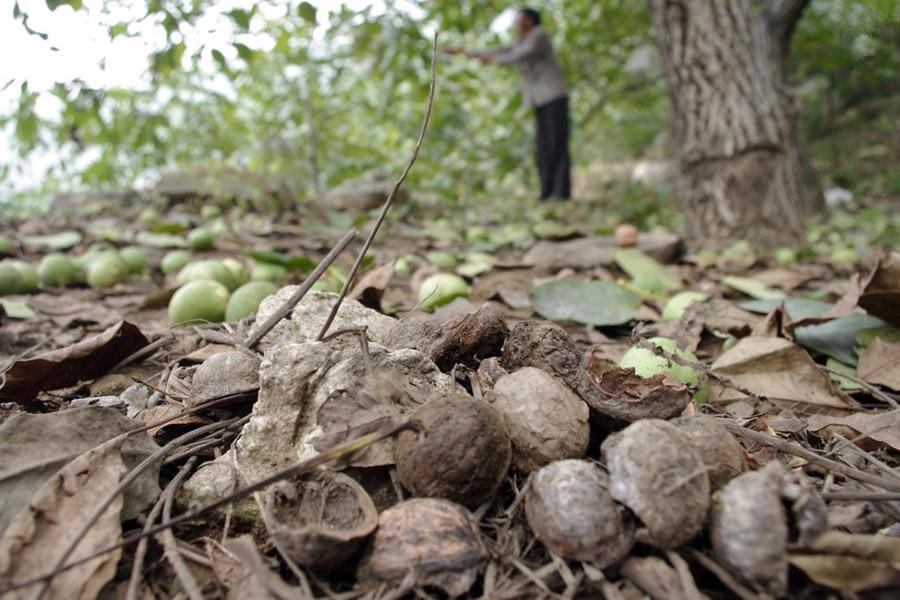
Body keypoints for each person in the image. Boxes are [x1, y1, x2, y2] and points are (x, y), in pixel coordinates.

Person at [446, 8, 570, 200]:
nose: (516, 23)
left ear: (530, 20)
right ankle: (547, 191)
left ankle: (561, 193)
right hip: (539, 100)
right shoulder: (520, 40)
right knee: (543, 145)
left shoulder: (539, 35)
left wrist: (495, 60)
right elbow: (499, 50)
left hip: (554, 96)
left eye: (519, 19)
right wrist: (464, 53)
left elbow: (518, 55)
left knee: (556, 144)